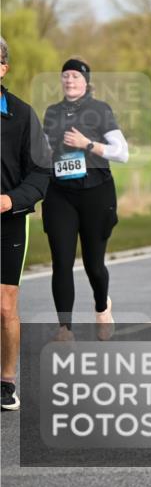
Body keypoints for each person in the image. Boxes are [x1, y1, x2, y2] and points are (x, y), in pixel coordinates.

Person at [43, 59, 129, 341]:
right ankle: (64, 329)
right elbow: (42, 149)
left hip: (96, 193)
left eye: (76, 76)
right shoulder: (52, 112)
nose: (70, 80)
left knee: (94, 265)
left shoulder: (100, 109)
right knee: (61, 262)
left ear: (86, 82)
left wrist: (87, 144)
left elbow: (122, 152)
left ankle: (102, 307)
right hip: (60, 194)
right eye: (65, 76)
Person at [1, 38, 51, 411]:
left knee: (5, 307)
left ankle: (6, 381)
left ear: (3, 67)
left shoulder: (20, 115)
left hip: (8, 221)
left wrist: (10, 200)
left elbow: (40, 173)